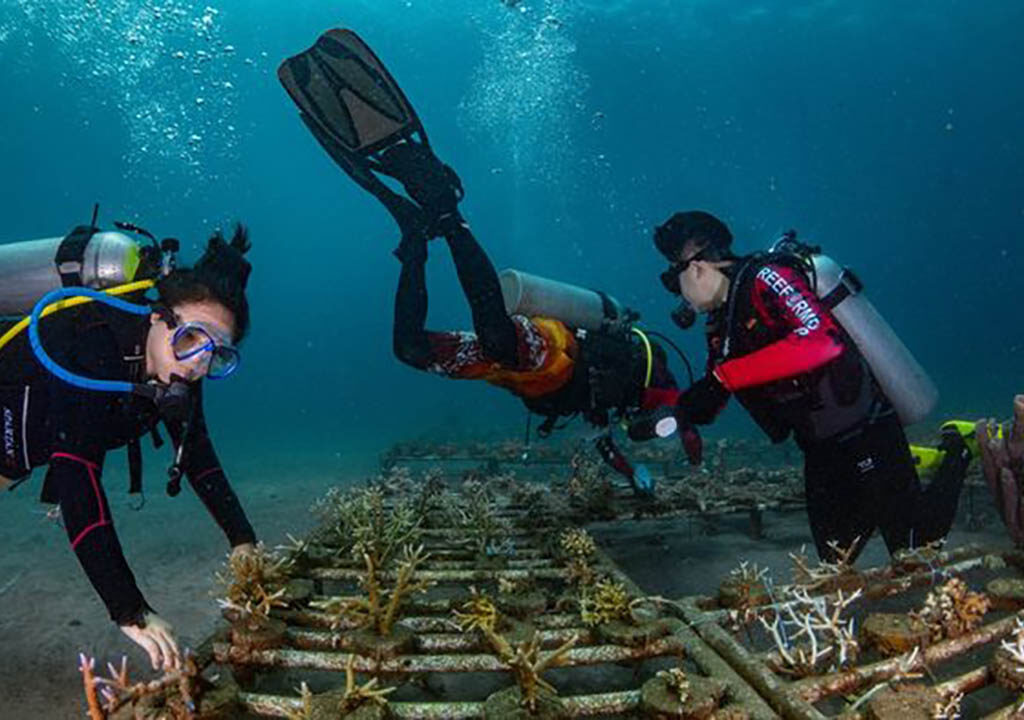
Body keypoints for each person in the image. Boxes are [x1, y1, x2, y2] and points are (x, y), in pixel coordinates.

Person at [278, 29, 683, 494]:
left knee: (410, 349)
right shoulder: (650, 366)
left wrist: (636, 477)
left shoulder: (609, 405)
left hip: (515, 375)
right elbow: (670, 410)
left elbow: (605, 441)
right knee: (498, 338)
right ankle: (450, 218)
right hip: (554, 351)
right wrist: (682, 431)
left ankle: (415, 243)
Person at [0, 224, 257, 671]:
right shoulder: (94, 340)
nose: (198, 362)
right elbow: (78, 477)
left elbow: (197, 456)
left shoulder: (179, 372)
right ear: (158, 317)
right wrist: (130, 610)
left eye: (217, 354)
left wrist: (242, 539)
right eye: (192, 337)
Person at [652, 210, 972, 563]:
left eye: (672, 278)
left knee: (915, 549)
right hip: (819, 451)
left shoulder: (767, 278)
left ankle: (957, 449)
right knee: (835, 562)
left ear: (695, 266)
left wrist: (723, 379)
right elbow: (716, 391)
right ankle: (910, 469)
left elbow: (822, 341)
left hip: (865, 431)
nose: (677, 293)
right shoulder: (720, 326)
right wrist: (677, 410)